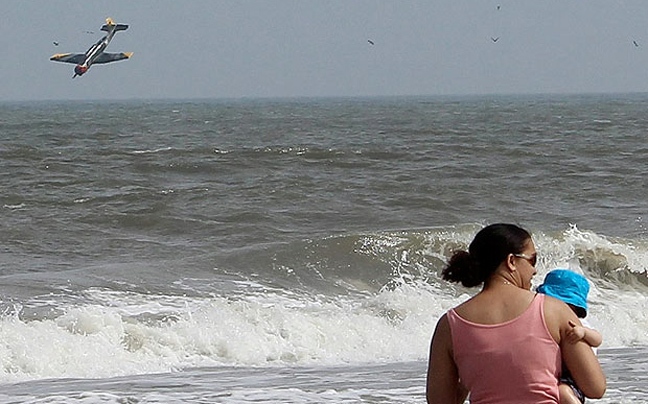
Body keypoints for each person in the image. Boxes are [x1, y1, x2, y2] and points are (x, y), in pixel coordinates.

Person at [426, 223, 605, 404]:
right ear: (511, 261)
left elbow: (440, 401)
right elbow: (595, 387)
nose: (535, 270)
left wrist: (469, 375)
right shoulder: (554, 310)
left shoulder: (449, 324)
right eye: (532, 260)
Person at [537, 269, 603, 404]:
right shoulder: (545, 320)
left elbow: (597, 340)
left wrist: (584, 333)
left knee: (563, 392)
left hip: (573, 377)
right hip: (553, 375)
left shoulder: (578, 324)